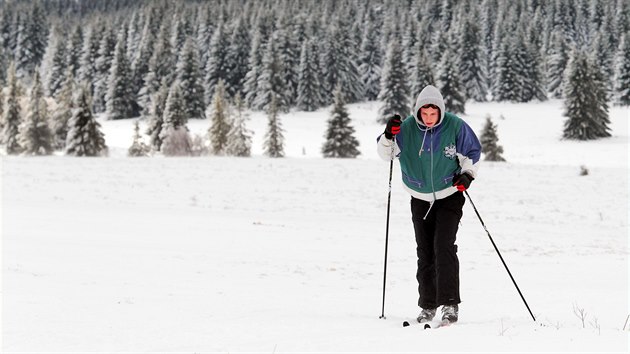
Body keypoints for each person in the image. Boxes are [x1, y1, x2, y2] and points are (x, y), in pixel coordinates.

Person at [377, 85, 481, 325]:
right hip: (420, 196)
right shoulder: (406, 129)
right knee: (425, 252)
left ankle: (450, 305)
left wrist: (467, 175)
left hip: (449, 194)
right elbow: (386, 154)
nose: (429, 118)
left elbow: (472, 154)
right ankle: (428, 305)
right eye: (424, 113)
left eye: (433, 114)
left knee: (443, 246)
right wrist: (388, 135)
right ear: (418, 111)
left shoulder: (455, 126)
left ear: (441, 111)